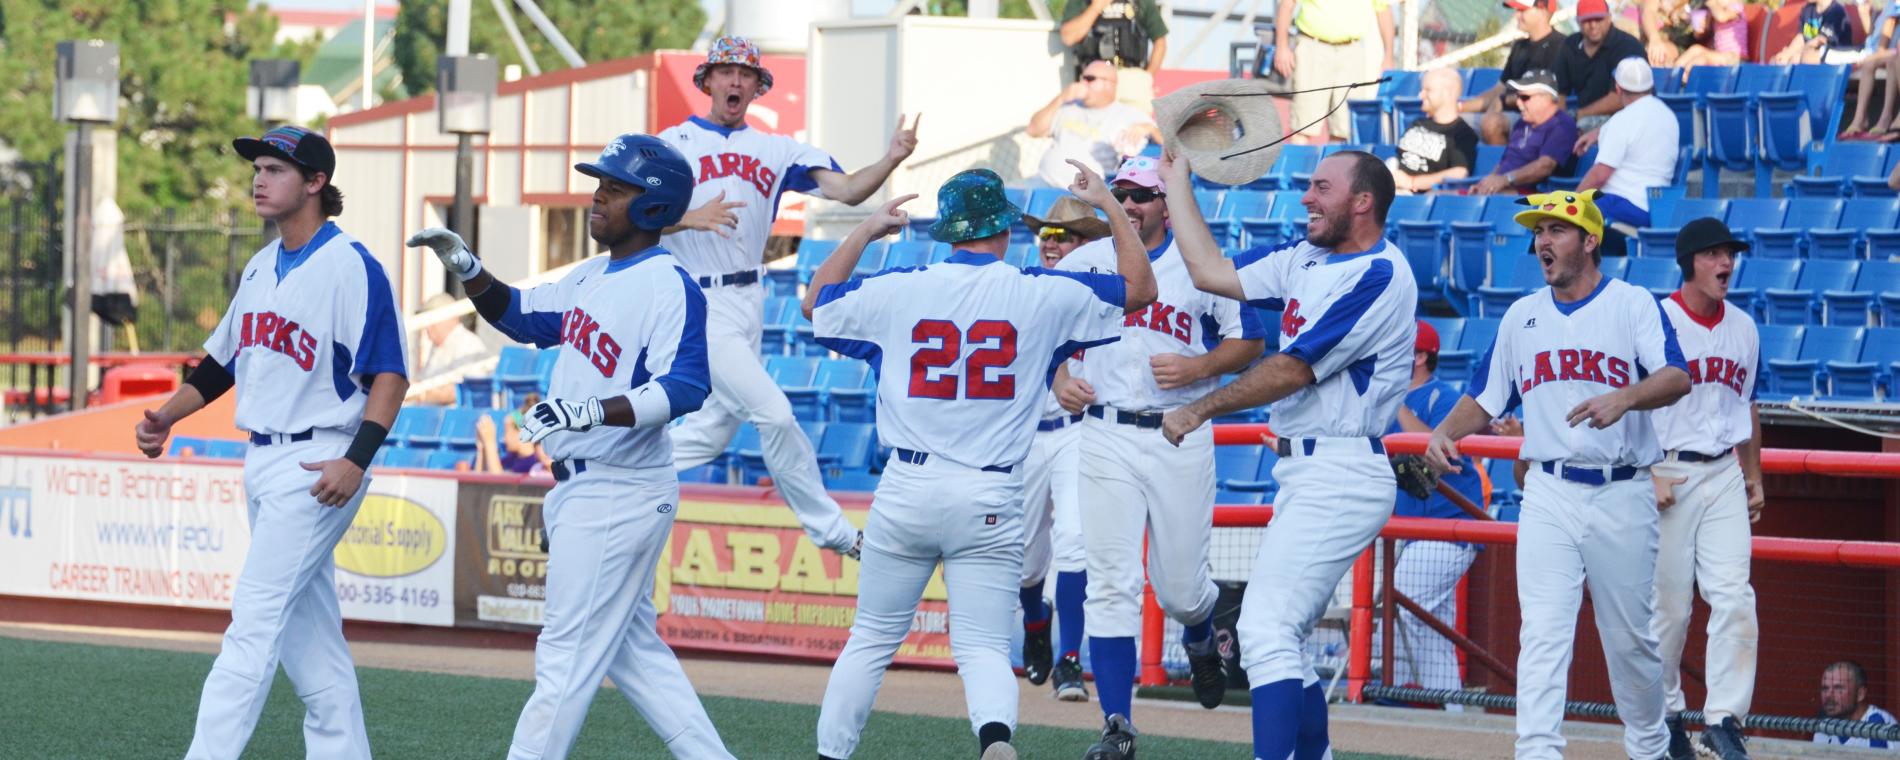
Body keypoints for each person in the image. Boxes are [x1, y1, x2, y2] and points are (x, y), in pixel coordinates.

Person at [808, 162, 1156, 760]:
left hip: (909, 483)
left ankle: (831, 756)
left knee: (869, 640)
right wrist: (1109, 208)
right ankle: (994, 741)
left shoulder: (899, 287)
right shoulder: (1038, 292)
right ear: (1005, 229)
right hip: (990, 491)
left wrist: (865, 231)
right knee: (984, 647)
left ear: (947, 229)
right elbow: (1141, 288)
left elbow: (817, 303)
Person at [407, 133, 732, 760]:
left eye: (615, 188)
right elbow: (525, 318)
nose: (598, 198)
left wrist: (593, 410)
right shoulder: (593, 273)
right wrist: (471, 271)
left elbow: (688, 386)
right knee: (636, 657)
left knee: (563, 662)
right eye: (599, 185)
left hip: (619, 488)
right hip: (592, 487)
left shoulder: (670, 283)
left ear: (653, 206)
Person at [134, 125, 408, 760]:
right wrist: (166, 416)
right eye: (257, 168)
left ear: (316, 182)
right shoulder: (261, 264)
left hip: (319, 460)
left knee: (253, 625)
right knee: (311, 642)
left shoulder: (351, 266)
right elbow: (221, 364)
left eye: (276, 169)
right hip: (263, 456)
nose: (259, 179)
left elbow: (390, 374)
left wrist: (356, 460)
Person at [1159, 149, 1418, 760]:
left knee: (1265, 630)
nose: (1306, 197)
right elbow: (1210, 271)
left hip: (1343, 469)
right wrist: (1177, 186)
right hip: (1309, 467)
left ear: (1362, 201)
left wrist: (1199, 408)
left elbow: (1293, 368)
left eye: (1321, 187)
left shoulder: (1381, 272)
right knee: (1284, 636)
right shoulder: (1305, 256)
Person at [1422, 188, 1690, 760]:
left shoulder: (1632, 303)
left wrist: (1627, 397)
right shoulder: (1523, 315)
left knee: (1629, 643)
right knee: (1542, 633)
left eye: (1556, 229)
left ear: (1590, 240)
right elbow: (1487, 397)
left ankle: (1650, 745)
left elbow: (1676, 377)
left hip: (1621, 490)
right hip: (1546, 489)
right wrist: (1446, 430)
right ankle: (1537, 752)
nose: (1543, 241)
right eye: (1538, 231)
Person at [659, 36, 919, 561]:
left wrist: (889, 159)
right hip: (696, 301)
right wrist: (689, 216)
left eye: (745, 74)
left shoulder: (777, 149)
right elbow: (625, 217)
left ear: (758, 87)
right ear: (706, 80)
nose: (735, 81)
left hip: (747, 300)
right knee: (775, 415)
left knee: (711, 434)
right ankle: (837, 534)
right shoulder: (673, 142)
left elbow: (846, 190)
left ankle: (599, 476)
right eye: (726, 71)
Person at [1049, 154, 1265, 759]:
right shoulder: (1086, 260)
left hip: (1180, 433)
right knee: (1111, 583)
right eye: (1121, 192)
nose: (1131, 202)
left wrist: (1199, 367)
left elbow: (1250, 339)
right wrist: (1059, 374)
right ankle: (1117, 726)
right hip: (1106, 432)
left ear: (1167, 203)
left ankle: (1201, 628)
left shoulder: (1196, 260)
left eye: (1143, 193)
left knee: (1175, 590)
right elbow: (1045, 333)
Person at [1649, 217, 1763, 760]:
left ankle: (1723, 721)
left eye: (1730, 254)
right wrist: (1647, 470)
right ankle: (1668, 715)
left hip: (1722, 472)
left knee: (1735, 596)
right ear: (1690, 260)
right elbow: (1630, 400)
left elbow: (1748, 405)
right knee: (1669, 609)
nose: (1727, 264)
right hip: (1667, 469)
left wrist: (1754, 474)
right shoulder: (1657, 319)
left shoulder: (1743, 326)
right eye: (1716, 254)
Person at [1013, 196, 1111, 700]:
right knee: (1027, 562)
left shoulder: (1101, 291)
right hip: (1028, 434)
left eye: (1065, 236)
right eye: (1047, 235)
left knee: (1074, 540)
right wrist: (1056, 375)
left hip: (1078, 429)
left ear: (1085, 243)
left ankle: (1070, 658)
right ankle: (1036, 626)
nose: (1053, 244)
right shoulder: (1022, 287)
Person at [1377, 320, 1485, 706]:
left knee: (1401, 603)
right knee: (1429, 626)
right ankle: (1454, 713)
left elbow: (1441, 451)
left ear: (1420, 356)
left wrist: (1396, 404)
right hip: (1413, 532)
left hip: (1451, 528)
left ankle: (1391, 701)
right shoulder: (1382, 401)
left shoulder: (1444, 396)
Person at [1575, 58, 1679, 232]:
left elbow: (1600, 175)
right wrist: (1596, 134)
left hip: (1623, 205)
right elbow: (1637, 124)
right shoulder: (1668, 115)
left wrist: (1570, 201)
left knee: (1561, 213)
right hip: (1658, 208)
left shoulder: (1622, 121)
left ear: (1618, 88)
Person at [1273, 0, 1396, 144]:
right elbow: (1287, 4)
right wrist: (1281, 46)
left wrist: (1388, 56)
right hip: (1313, 46)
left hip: (1352, 49)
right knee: (1303, 124)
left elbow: (1383, 11)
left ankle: (1334, 165)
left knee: (1345, 128)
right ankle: (1299, 165)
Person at [1027, 62, 1162, 188]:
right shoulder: (1069, 107)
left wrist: (1149, 128)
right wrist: (1061, 98)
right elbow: (1033, 130)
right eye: (1082, 77)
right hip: (1044, 183)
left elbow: (1167, 141)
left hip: (1088, 193)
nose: (1083, 82)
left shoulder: (1129, 113)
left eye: (1090, 79)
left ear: (1110, 84)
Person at [1463, 0, 1566, 146]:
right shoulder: (1520, 46)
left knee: (1492, 123)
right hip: (1508, 113)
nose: (1517, 15)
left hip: (1534, 117)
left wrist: (1503, 100)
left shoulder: (1561, 45)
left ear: (1542, 11)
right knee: (1452, 121)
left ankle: (1505, 167)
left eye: (1522, 10)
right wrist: (1458, 107)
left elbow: (1547, 96)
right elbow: (1498, 90)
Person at [1475, 70, 1578, 195]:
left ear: (1546, 97)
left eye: (1524, 97)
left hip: (1534, 194)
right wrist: (1486, 183)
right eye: (1518, 97)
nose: (1518, 103)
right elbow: (1505, 162)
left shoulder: (1562, 125)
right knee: (1448, 195)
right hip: (1504, 189)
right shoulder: (1523, 123)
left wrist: (1505, 180)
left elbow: (1544, 167)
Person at [1059, 0, 1171, 111]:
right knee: (1094, 126)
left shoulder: (1142, 2)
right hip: (1095, 78)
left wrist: (1147, 76)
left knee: (1137, 126)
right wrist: (1096, 7)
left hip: (1132, 79)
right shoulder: (1082, 2)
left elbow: (1160, 42)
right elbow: (1068, 37)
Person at [1555, 0, 1647, 133]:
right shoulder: (1570, 45)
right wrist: (1558, 122)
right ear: (1577, 21)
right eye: (1587, 20)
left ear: (1609, 18)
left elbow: (1621, 99)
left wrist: (1579, 114)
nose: (1593, 25)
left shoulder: (1627, 46)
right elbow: (1560, 93)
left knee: (1577, 128)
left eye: (1598, 19)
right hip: (1585, 116)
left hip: (1628, 117)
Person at [1392, 67, 1480, 194]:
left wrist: (1413, 182)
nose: (1420, 95)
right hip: (1393, 185)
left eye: (1428, 90)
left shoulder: (1461, 133)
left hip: (1420, 196)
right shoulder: (1418, 123)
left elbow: (1459, 173)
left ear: (1446, 93)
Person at [412, 292, 488, 405]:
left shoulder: (467, 343)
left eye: (430, 319)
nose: (426, 326)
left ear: (448, 317)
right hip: (430, 416)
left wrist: (418, 393)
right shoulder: (437, 347)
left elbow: (458, 392)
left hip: (454, 418)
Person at [1817, 661, 1898, 749]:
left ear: (1860, 694)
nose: (1828, 695)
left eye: (1838, 688)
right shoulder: (1823, 724)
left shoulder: (1879, 722)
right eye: (1825, 688)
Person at [475, 392, 554, 475]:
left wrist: (489, 443)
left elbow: (500, 485)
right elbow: (480, 483)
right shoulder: (511, 459)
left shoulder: (533, 463)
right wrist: (482, 449)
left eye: (506, 432)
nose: (504, 438)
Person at [1670, 0, 1750, 75]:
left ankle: (1685, 79)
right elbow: (1700, 35)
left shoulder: (1736, 7)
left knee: (1702, 59)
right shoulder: (1715, 13)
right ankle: (1674, 74)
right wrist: (1701, 28)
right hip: (1720, 55)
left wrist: (1711, 2)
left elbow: (1722, 17)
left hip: (1736, 58)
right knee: (1695, 49)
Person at [1773, 0, 1857, 65]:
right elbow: (1802, 37)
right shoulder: (1808, 9)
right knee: (1776, 60)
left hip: (1832, 56)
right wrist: (1787, 53)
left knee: (1799, 58)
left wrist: (1798, 52)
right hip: (1809, 51)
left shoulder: (1836, 11)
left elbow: (1820, 41)